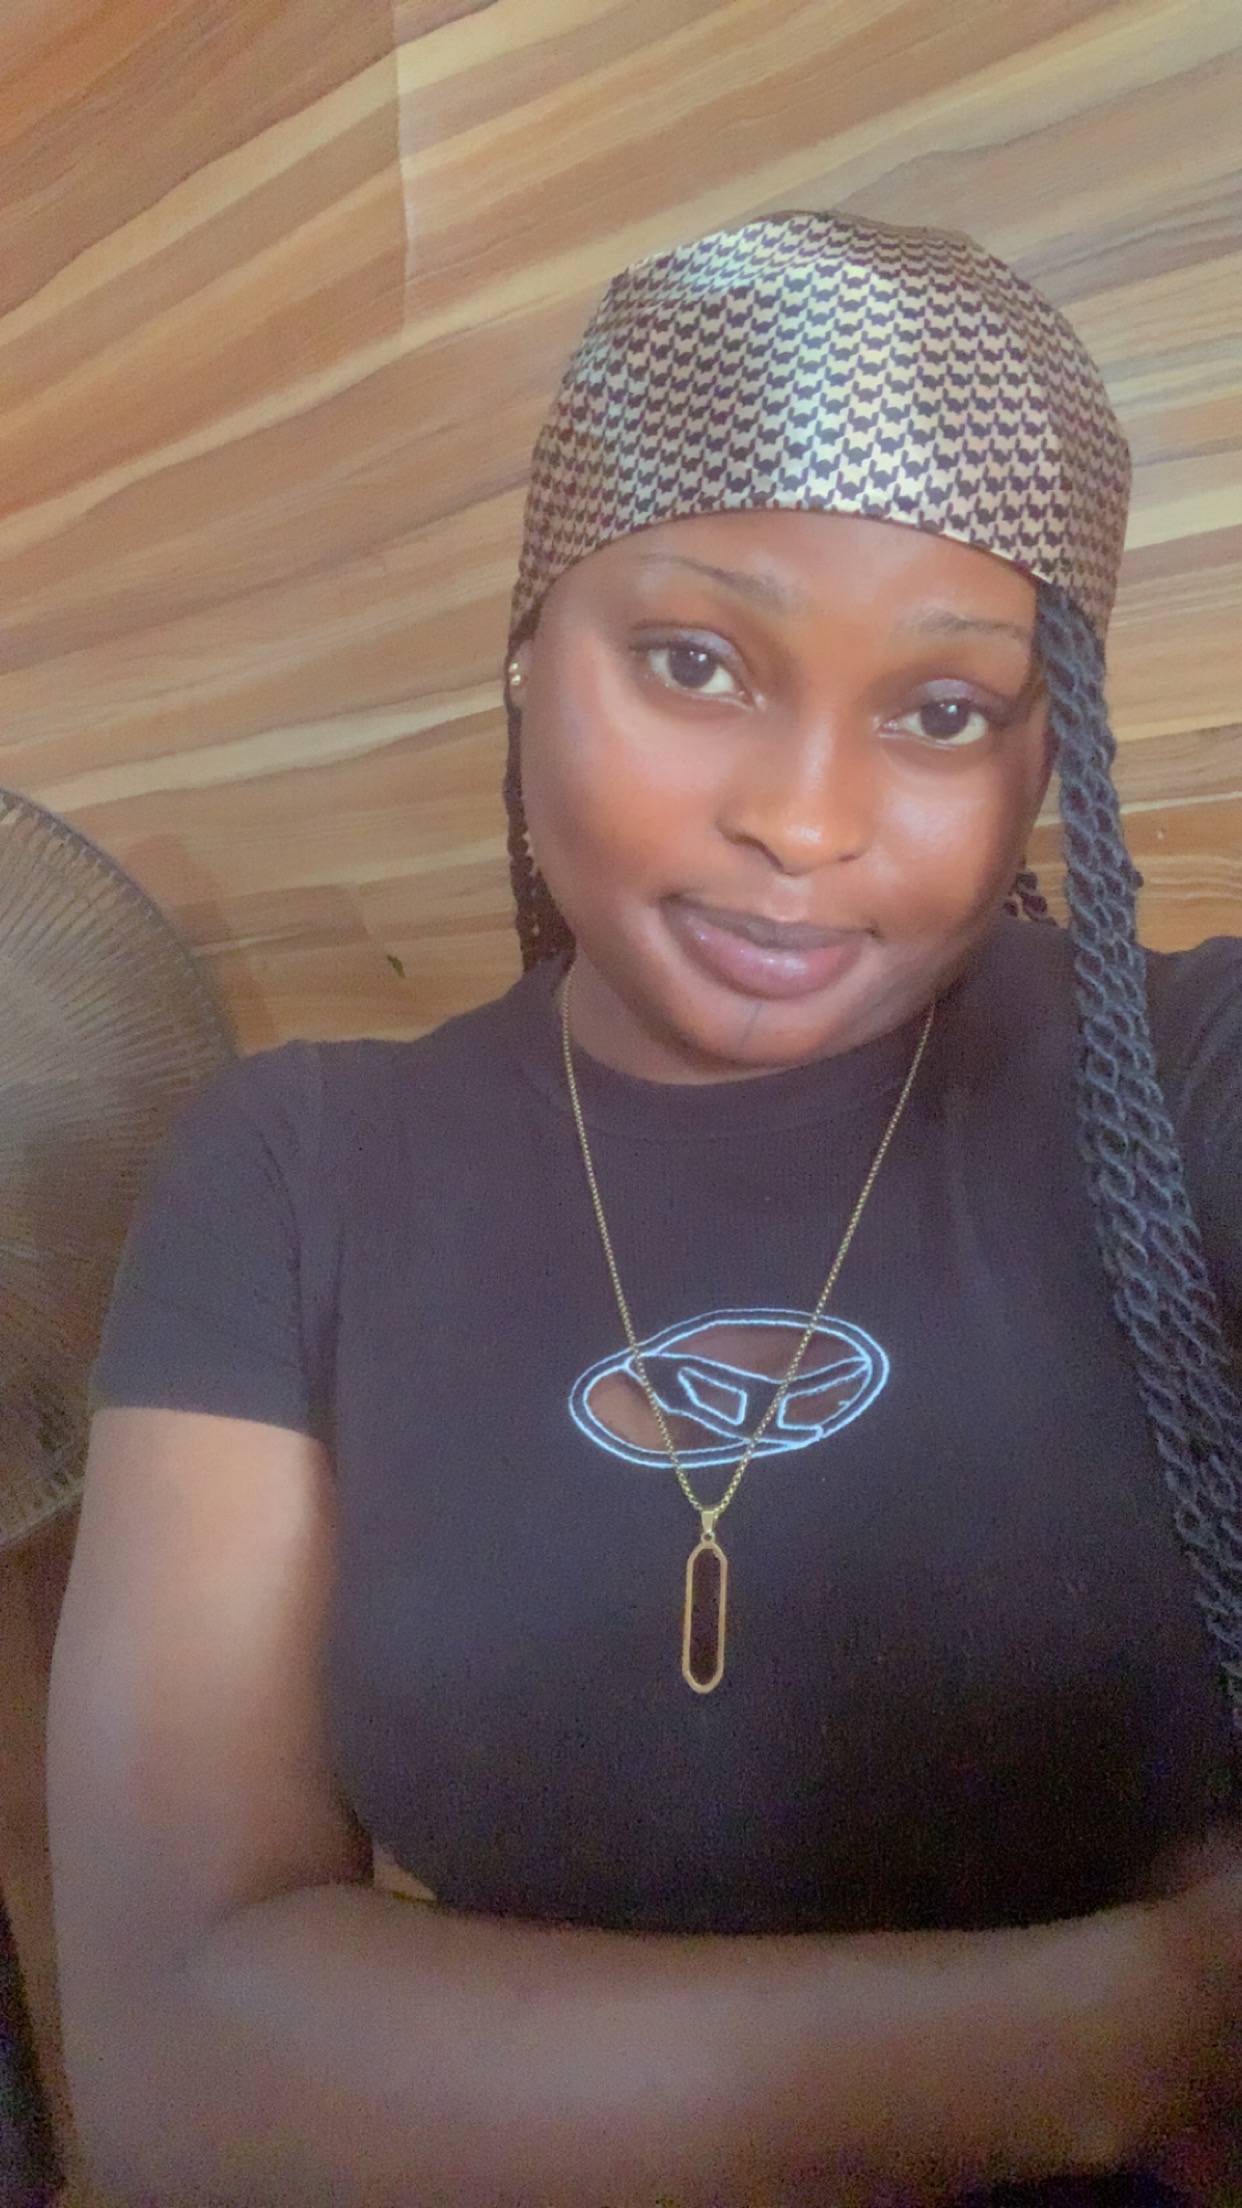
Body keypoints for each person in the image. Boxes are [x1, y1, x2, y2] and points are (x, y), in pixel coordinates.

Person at [48, 211, 1242, 2206]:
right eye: (697, 663)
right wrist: (1141, 2023)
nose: (804, 817)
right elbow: (181, 2063)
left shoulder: (1183, 1077)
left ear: (1054, 751)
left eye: (944, 710)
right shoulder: (295, 1173)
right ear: (531, 648)